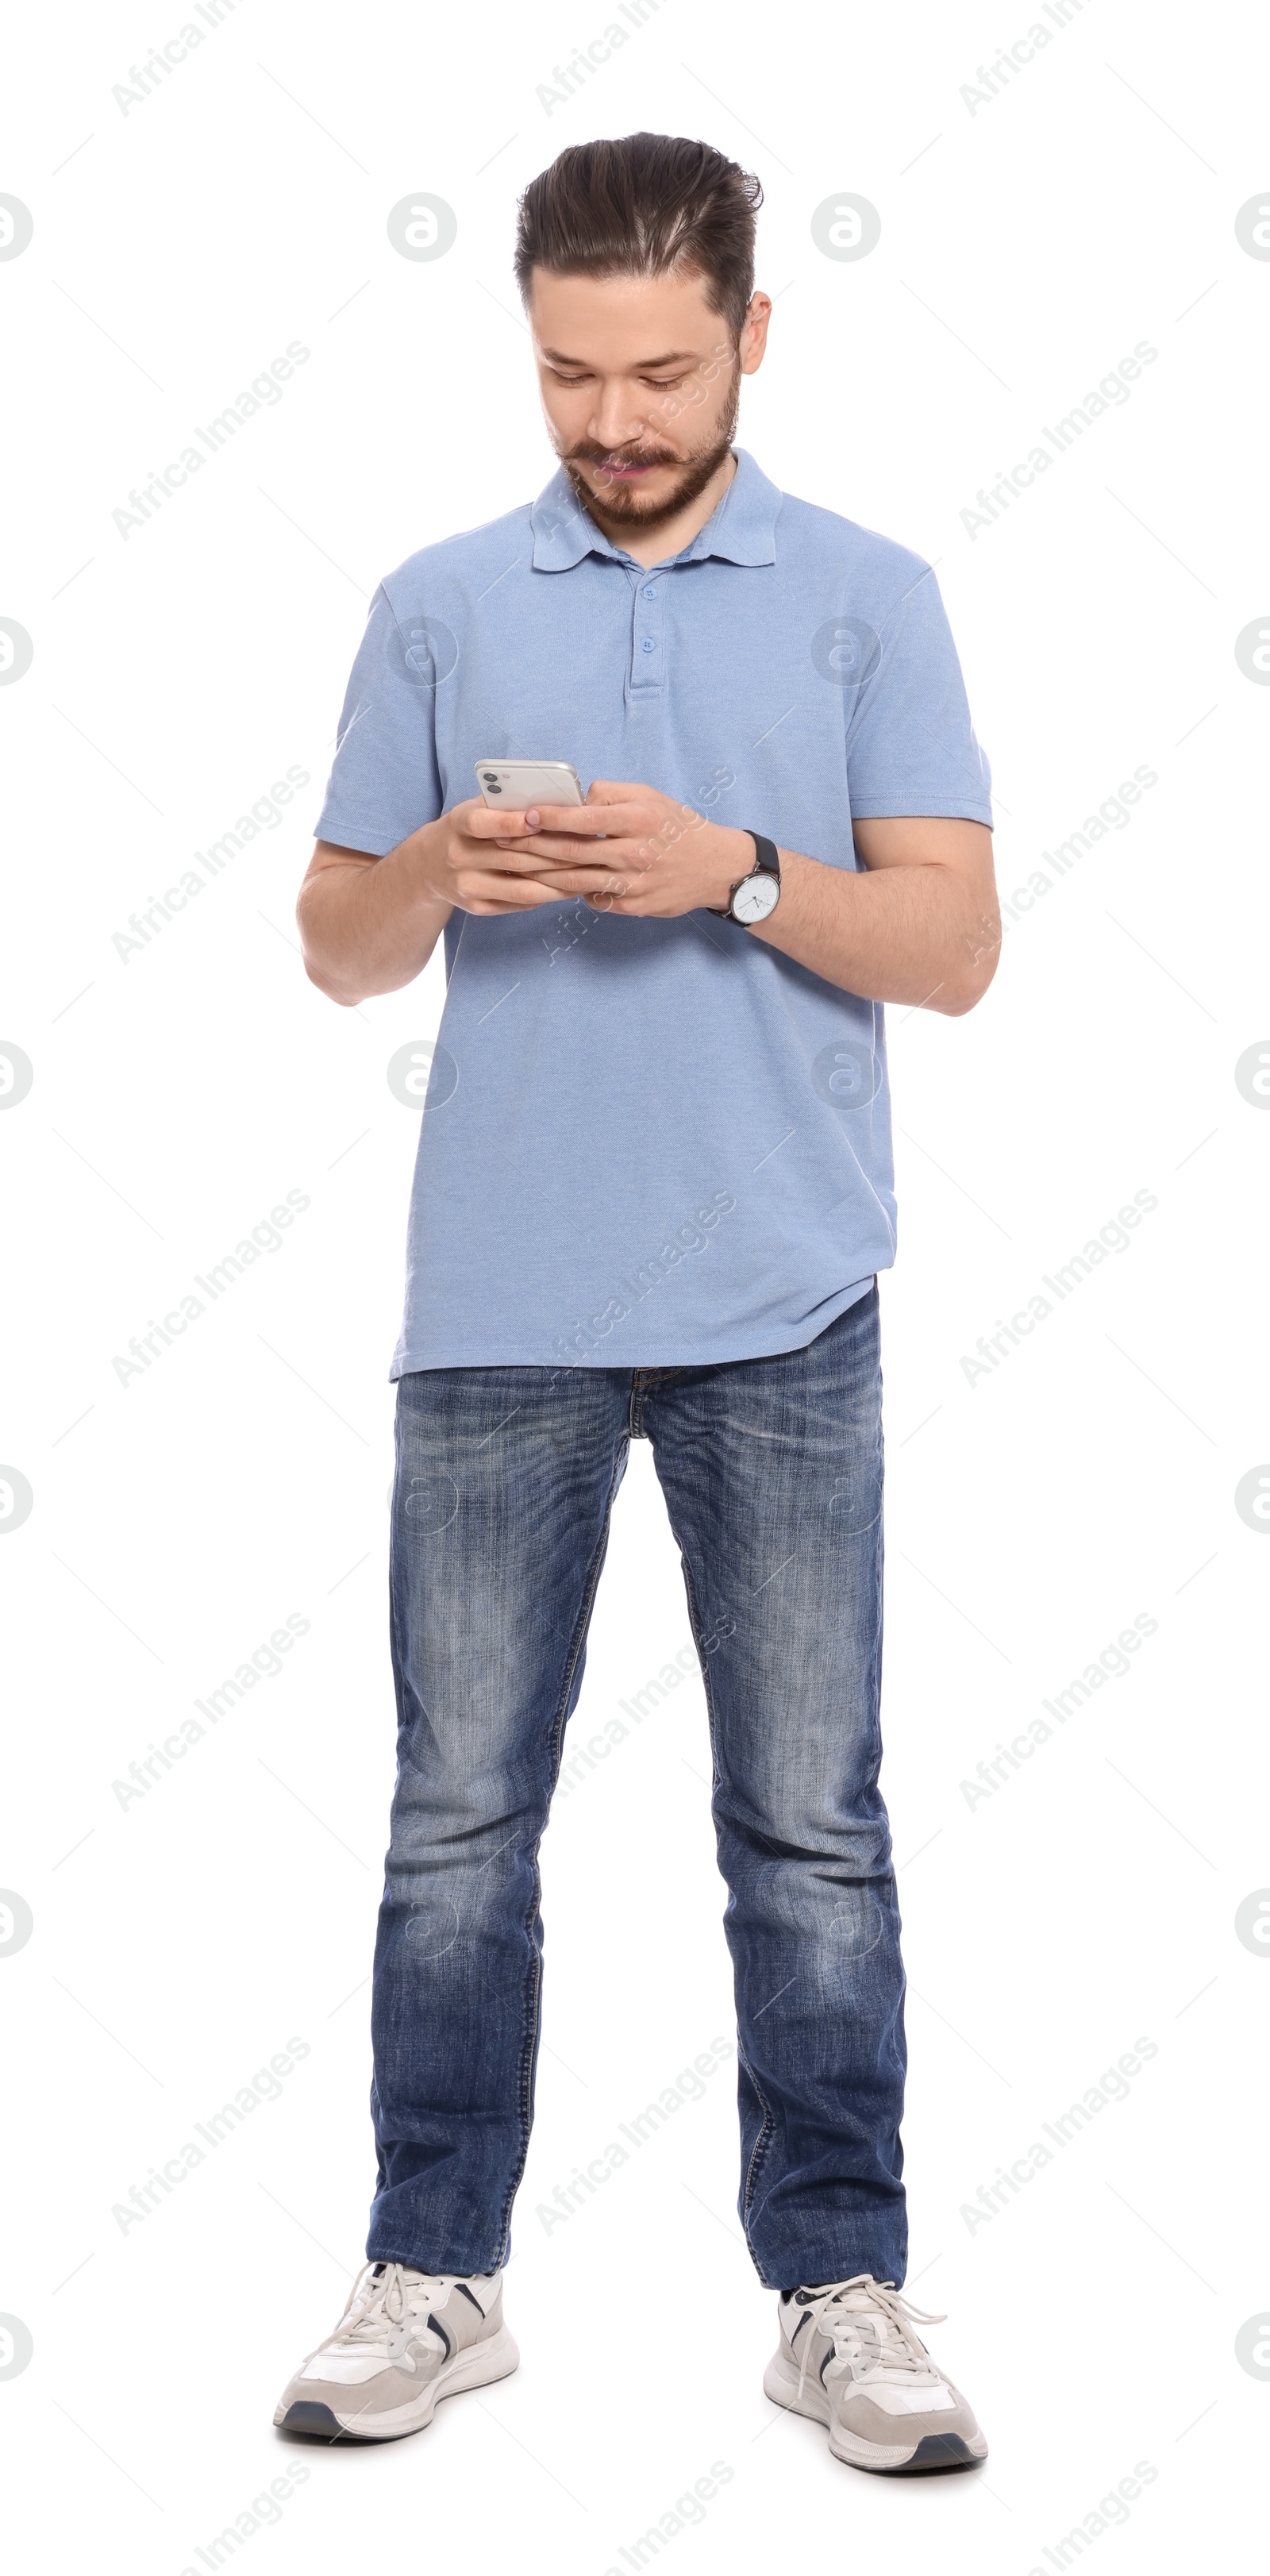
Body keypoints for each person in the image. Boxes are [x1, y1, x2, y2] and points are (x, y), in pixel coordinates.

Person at [275, 131, 999, 2475]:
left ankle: (838, 2286)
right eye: (573, 373)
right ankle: (433, 2269)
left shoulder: (871, 597)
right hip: (496, 1298)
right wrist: (437, 867)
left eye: (663, 371)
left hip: (786, 1301)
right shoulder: (438, 596)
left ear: (755, 339)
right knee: (457, 1814)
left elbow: (958, 950)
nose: (615, 418)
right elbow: (330, 942)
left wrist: (740, 873)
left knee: (810, 1822)